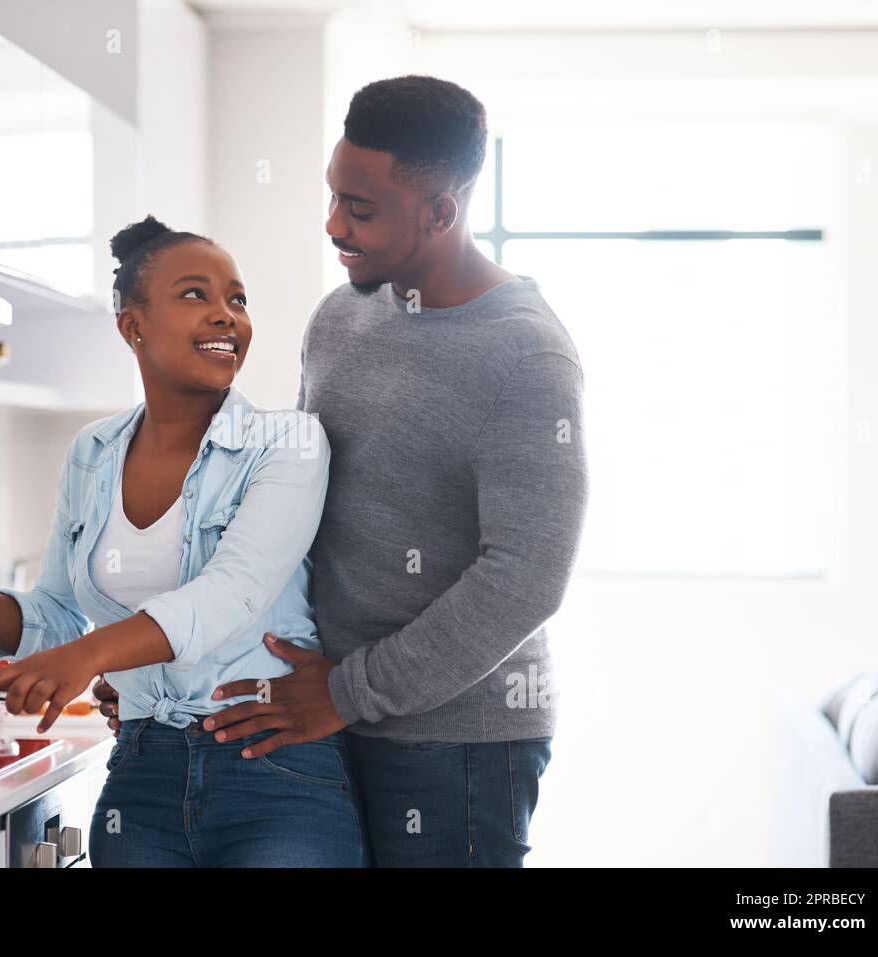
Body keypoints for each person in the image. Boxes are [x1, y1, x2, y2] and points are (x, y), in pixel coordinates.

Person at [99, 76, 589, 868]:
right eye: (333, 196)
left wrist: (345, 692)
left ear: (440, 212)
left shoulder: (526, 356)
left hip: (454, 745)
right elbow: (285, 517)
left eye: (361, 209)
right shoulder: (343, 316)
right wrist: (166, 674)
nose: (334, 225)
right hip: (323, 719)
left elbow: (529, 576)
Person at [0, 216, 364, 867]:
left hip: (274, 773)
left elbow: (233, 592)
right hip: (143, 776)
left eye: (238, 298)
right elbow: (57, 616)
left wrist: (92, 655)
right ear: (132, 324)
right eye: (196, 294)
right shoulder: (93, 452)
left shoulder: (288, 443)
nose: (228, 316)